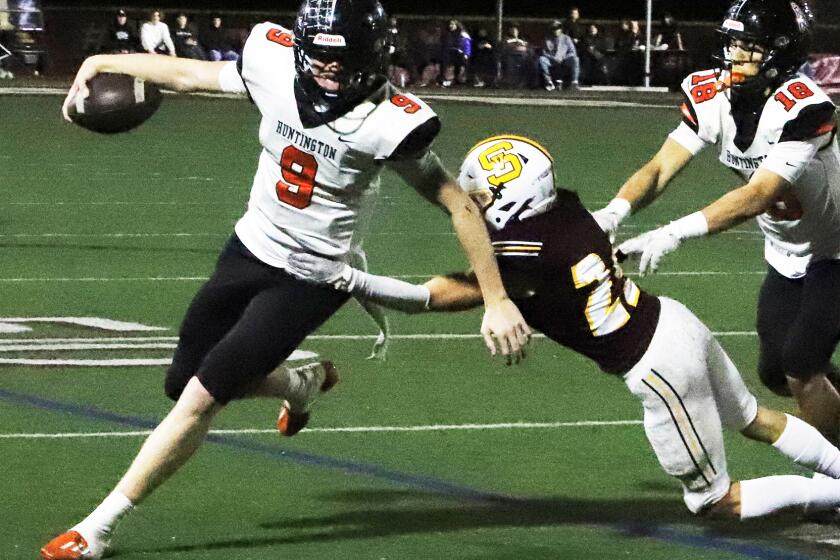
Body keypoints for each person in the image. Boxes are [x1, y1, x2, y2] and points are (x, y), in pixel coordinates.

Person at [41, 0, 530, 557]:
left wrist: (495, 298)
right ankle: (298, 384)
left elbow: (459, 206)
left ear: (372, 59)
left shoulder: (390, 121)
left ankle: (98, 527)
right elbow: (188, 73)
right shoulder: (273, 63)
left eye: (338, 62)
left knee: (199, 400)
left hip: (311, 278)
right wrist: (109, 60)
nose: (325, 71)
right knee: (181, 382)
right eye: (317, 58)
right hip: (249, 246)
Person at [284, 134, 840, 520]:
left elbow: (427, 298)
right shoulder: (566, 210)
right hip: (674, 320)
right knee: (754, 420)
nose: (472, 207)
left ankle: (830, 496)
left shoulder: (525, 261)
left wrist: (349, 281)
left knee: (715, 503)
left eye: (480, 198)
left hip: (657, 367)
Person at [592, 0, 840, 446]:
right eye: (733, 43)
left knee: (802, 366)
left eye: (748, 46)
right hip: (786, 252)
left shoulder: (803, 107)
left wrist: (673, 232)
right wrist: (615, 211)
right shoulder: (712, 95)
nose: (734, 55)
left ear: (779, 53)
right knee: (775, 372)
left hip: (836, 250)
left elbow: (758, 194)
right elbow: (661, 167)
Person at [539, 21, 579, 91]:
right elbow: (544, 52)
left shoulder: (566, 38)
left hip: (565, 59)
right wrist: (552, 58)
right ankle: (549, 82)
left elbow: (572, 52)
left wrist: (564, 57)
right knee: (541, 59)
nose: (556, 31)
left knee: (575, 59)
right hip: (552, 60)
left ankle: (574, 82)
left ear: (561, 29)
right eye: (554, 29)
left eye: (557, 29)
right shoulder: (547, 39)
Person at [440, 19, 471, 88]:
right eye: (450, 24)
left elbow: (467, 44)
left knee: (461, 67)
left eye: (453, 24)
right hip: (450, 53)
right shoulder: (447, 34)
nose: (450, 26)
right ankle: (449, 80)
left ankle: (461, 81)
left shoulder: (463, 34)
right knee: (450, 67)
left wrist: (466, 53)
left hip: (460, 53)